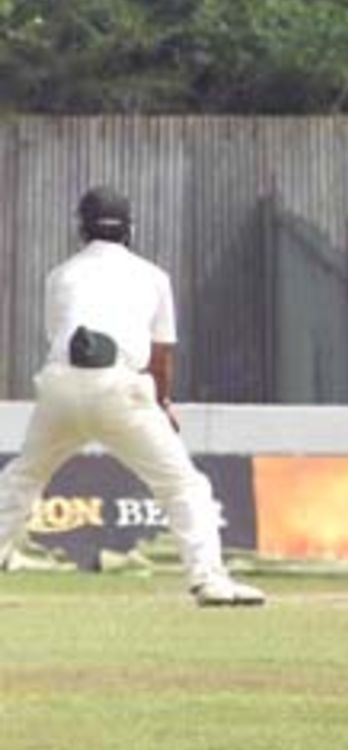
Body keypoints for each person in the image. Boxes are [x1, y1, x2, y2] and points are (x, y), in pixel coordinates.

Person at [0, 186, 264, 607]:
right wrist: (161, 404)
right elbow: (160, 356)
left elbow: (60, 336)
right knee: (184, 485)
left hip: (61, 386)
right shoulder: (154, 276)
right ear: (129, 230)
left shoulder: (60, 274)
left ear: (82, 228)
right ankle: (209, 580)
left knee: (22, 477)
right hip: (120, 388)